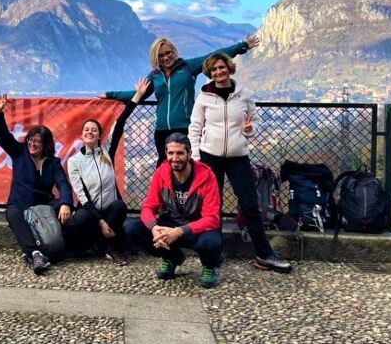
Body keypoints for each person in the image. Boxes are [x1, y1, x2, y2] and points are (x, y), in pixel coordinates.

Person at [188, 53, 292, 273]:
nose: (219, 72)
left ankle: (264, 255)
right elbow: (195, 128)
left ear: (229, 68)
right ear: (209, 73)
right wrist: (196, 158)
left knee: (250, 204)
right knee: (211, 207)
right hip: (209, 156)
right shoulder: (204, 97)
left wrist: (249, 130)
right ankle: (213, 252)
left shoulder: (245, 95)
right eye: (214, 69)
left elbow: (255, 123)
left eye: (222, 67)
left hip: (238, 156)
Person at [106, 34, 260, 162]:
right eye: (161, 55)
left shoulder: (188, 67)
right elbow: (137, 94)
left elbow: (214, 56)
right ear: (156, 58)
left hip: (184, 127)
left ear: (174, 51)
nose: (166, 57)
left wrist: (242, 46)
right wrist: (110, 95)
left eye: (168, 52)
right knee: (164, 169)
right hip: (161, 130)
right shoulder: (155, 76)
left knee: (186, 167)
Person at [67, 77, 151, 266]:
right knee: (81, 218)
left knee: (120, 206)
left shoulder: (107, 150)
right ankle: (99, 242)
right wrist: (101, 222)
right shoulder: (74, 161)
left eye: (94, 130)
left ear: (99, 135)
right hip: (90, 211)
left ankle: (108, 247)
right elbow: (82, 197)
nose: (90, 132)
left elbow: (120, 121)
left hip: (110, 210)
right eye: (86, 130)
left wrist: (137, 96)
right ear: (81, 135)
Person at [124, 133, 224, 288]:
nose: (175, 158)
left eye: (180, 153)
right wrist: (154, 228)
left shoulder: (207, 176)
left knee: (210, 242)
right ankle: (172, 257)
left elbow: (212, 218)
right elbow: (148, 207)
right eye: (171, 153)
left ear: (189, 154)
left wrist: (180, 231)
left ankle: (210, 265)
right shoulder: (161, 173)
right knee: (131, 229)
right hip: (169, 224)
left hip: (196, 228)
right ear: (166, 153)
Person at [0, 94, 76, 274]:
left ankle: (62, 247)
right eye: (30, 140)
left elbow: (63, 184)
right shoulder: (19, 152)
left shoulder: (53, 162)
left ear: (46, 144)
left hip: (43, 204)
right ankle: (35, 253)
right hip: (20, 202)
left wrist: (65, 204)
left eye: (37, 141)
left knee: (69, 212)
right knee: (12, 214)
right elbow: (3, 136)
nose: (32, 144)